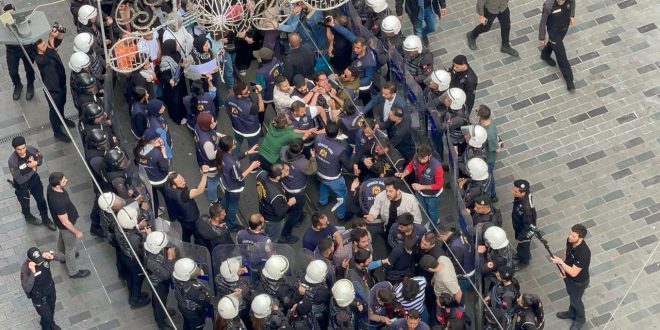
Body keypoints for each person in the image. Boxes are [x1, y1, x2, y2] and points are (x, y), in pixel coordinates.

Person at [46, 172, 90, 278]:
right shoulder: (58, 201)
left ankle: (61, 256)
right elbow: (65, 222)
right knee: (70, 249)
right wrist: (77, 232)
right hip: (66, 226)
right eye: (64, 180)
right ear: (57, 185)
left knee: (62, 238)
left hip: (61, 226)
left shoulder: (50, 187)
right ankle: (73, 271)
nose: (67, 180)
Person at [8, 136, 55, 229]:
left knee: (41, 200)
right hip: (22, 186)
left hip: (34, 181)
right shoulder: (12, 161)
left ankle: (45, 218)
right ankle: (28, 216)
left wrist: (36, 163)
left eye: (23, 148)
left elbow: (40, 157)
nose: (22, 151)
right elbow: (19, 179)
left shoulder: (31, 149)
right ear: (15, 149)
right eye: (19, 149)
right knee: (25, 203)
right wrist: (33, 170)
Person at [34, 34, 74, 142]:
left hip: (61, 85)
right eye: (43, 46)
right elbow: (47, 57)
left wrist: (58, 33)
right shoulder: (39, 59)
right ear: (38, 50)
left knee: (62, 104)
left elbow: (59, 40)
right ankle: (57, 132)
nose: (46, 46)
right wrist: (51, 39)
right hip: (52, 91)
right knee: (54, 111)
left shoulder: (49, 50)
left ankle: (62, 119)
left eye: (45, 43)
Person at [551, 224, 591, 330]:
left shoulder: (584, 253)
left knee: (576, 300)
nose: (570, 237)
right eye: (570, 234)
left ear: (580, 238)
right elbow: (566, 253)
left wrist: (560, 262)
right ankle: (571, 312)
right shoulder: (570, 241)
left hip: (579, 282)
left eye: (573, 236)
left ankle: (580, 319)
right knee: (571, 296)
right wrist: (563, 268)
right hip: (568, 278)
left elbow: (574, 272)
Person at [217, 135, 260, 231]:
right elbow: (239, 178)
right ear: (229, 147)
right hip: (234, 188)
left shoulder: (221, 153)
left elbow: (234, 157)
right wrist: (251, 167)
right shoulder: (232, 163)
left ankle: (220, 214)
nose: (235, 143)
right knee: (233, 206)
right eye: (233, 143)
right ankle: (231, 225)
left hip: (225, 183)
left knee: (226, 198)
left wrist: (247, 152)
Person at [115, 202, 152, 308]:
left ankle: (133, 293)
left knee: (131, 277)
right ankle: (135, 299)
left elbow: (129, 229)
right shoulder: (134, 239)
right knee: (137, 279)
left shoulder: (119, 226)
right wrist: (148, 236)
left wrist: (137, 226)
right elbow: (142, 249)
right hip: (134, 261)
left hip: (125, 254)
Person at [397, 143, 444, 226]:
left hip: (432, 195)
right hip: (420, 191)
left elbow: (439, 185)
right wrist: (404, 173)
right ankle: (433, 219)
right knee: (424, 209)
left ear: (430, 155)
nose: (421, 161)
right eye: (420, 158)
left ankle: (433, 225)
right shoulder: (416, 157)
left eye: (424, 158)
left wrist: (421, 187)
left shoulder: (437, 167)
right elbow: (410, 166)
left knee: (432, 211)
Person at [315, 122, 353, 222]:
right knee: (342, 196)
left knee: (324, 184)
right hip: (334, 178)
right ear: (338, 133)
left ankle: (322, 202)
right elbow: (349, 166)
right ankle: (341, 216)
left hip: (320, 171)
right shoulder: (340, 149)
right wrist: (353, 154)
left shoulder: (318, 138)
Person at [280, 138, 317, 240]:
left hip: (285, 184)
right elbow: (312, 170)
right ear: (301, 150)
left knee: (289, 200)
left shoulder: (283, 150)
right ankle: (285, 233)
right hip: (297, 190)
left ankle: (298, 215)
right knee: (296, 211)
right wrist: (313, 157)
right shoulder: (302, 163)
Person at [21, 247, 65, 330]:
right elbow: (26, 287)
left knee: (51, 309)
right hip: (39, 297)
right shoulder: (25, 269)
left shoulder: (43, 256)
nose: (40, 262)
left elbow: (63, 257)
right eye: (37, 261)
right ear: (30, 260)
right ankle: (50, 325)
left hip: (50, 290)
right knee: (47, 316)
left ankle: (45, 324)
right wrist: (33, 272)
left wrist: (53, 256)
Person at [366, 177, 423, 242]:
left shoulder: (410, 199)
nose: (387, 193)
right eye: (386, 190)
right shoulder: (381, 196)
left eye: (390, 191)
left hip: (404, 229)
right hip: (387, 226)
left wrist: (412, 233)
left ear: (398, 191)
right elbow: (375, 207)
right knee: (388, 241)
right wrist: (372, 215)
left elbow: (417, 219)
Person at [164, 168, 209, 243]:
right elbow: (200, 190)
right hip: (191, 218)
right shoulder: (182, 195)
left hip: (182, 217)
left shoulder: (168, 187)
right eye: (180, 182)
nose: (184, 182)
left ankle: (186, 245)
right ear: (174, 186)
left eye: (182, 179)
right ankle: (197, 246)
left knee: (186, 233)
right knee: (197, 234)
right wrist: (205, 174)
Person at [539, 0, 576, 90]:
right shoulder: (548, 6)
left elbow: (573, 2)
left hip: (564, 28)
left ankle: (545, 55)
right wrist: (542, 37)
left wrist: (572, 15)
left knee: (553, 44)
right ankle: (569, 80)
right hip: (553, 32)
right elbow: (543, 22)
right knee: (561, 56)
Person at [144, 231, 176, 330]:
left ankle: (163, 311)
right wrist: (170, 258)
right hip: (158, 283)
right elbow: (166, 275)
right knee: (159, 301)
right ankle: (160, 322)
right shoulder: (151, 262)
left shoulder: (151, 247)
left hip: (161, 280)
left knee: (162, 298)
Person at [256, 164, 295, 242]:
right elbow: (279, 213)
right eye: (283, 172)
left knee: (266, 230)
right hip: (273, 219)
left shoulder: (261, 174)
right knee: (273, 235)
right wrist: (289, 203)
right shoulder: (276, 195)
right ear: (277, 177)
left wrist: (284, 173)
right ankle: (271, 245)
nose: (286, 172)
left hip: (263, 208)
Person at [227, 80, 265, 163]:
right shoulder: (249, 106)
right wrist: (259, 94)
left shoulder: (229, 97)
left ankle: (233, 160)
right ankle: (253, 167)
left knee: (237, 144)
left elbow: (228, 110)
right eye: (246, 92)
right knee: (253, 147)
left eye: (248, 89)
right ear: (239, 95)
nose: (248, 92)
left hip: (237, 127)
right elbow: (261, 108)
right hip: (251, 131)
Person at [4, 4, 36, 100]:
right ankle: (18, 85)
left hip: (26, 48)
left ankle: (30, 85)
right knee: (12, 71)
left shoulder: (23, 19)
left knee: (29, 69)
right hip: (12, 49)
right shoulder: (3, 23)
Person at [173, 258, 213, 330]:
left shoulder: (177, 275)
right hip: (194, 313)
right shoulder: (194, 289)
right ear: (187, 275)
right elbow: (207, 300)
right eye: (194, 269)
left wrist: (197, 273)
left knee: (187, 324)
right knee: (196, 327)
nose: (197, 269)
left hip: (183, 307)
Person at [193, 112, 222, 203]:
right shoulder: (207, 143)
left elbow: (212, 133)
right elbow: (211, 156)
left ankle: (205, 184)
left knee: (207, 178)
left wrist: (220, 136)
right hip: (210, 165)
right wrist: (222, 147)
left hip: (201, 159)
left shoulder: (198, 126)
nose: (214, 123)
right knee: (213, 182)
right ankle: (213, 199)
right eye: (212, 122)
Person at [477, 105, 503, 202]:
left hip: (489, 158)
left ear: (480, 116)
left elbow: (497, 150)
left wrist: (499, 145)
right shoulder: (485, 121)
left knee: (489, 176)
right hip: (483, 153)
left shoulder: (490, 134)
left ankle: (492, 194)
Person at [511, 179, 537, 271]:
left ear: (523, 193)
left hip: (525, 231)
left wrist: (521, 237)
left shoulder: (526, 209)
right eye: (513, 189)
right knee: (523, 246)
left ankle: (524, 261)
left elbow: (528, 226)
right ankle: (521, 254)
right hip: (521, 226)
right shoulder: (524, 196)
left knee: (523, 245)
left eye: (515, 191)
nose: (513, 192)